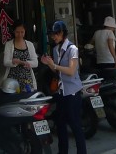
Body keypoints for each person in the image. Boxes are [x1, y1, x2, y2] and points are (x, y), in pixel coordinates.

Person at [40, 20, 87, 154]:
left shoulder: (73, 49)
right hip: (61, 92)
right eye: (52, 34)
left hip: (72, 93)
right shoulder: (55, 50)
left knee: (75, 125)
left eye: (56, 34)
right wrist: (49, 64)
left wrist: (54, 65)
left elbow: (71, 71)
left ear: (62, 33)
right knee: (60, 124)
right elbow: (57, 72)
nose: (53, 37)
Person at [2, 19, 39, 91]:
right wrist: (13, 62)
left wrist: (22, 62)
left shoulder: (30, 44)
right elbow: (5, 62)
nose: (20, 35)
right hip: (12, 80)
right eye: (17, 32)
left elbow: (35, 63)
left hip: (27, 80)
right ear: (13, 31)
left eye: (22, 32)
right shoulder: (9, 44)